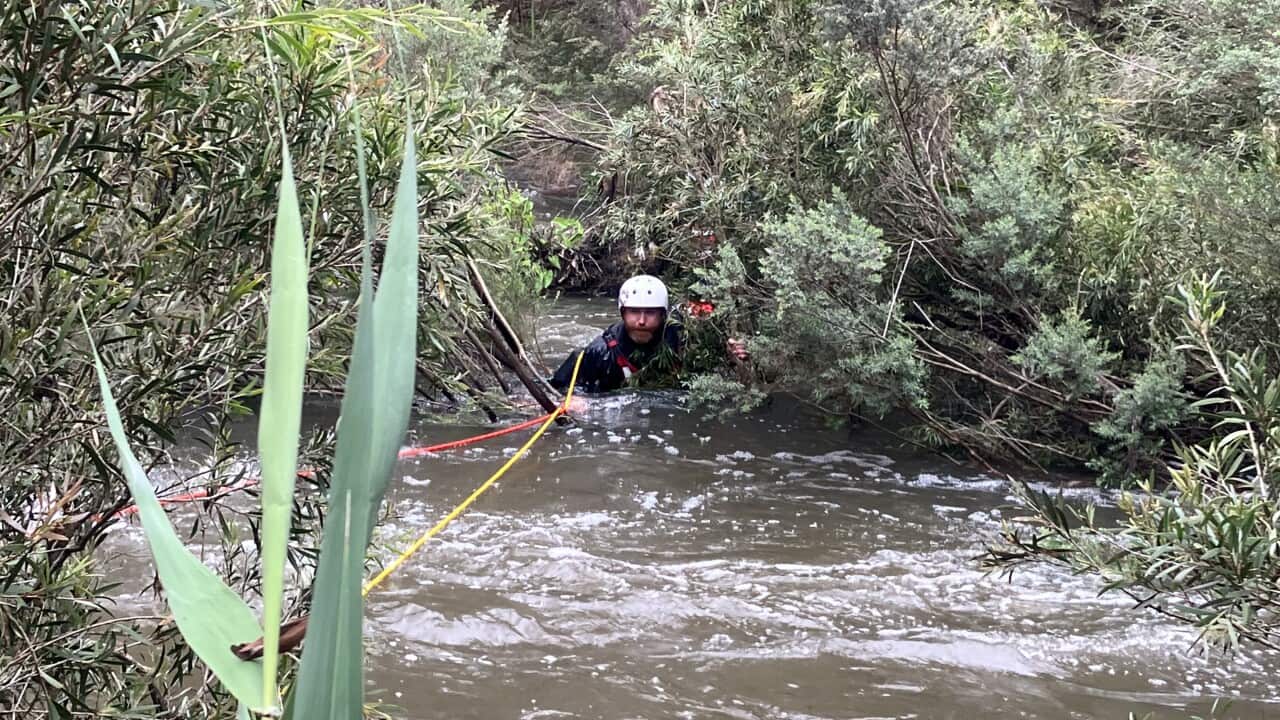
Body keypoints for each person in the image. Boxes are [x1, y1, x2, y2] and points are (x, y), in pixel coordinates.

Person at [549, 274, 751, 394]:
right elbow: (557, 390)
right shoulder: (598, 352)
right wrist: (577, 399)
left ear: (663, 315)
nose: (642, 321)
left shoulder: (683, 339)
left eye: (651, 313)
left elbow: (715, 367)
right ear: (622, 313)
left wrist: (731, 356)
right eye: (634, 312)